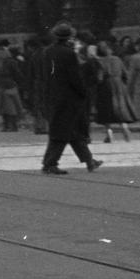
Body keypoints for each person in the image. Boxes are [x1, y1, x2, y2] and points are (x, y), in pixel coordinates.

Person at [39, 23, 103, 175]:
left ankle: (89, 161)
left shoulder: (47, 52)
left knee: (71, 131)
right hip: (69, 98)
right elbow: (75, 77)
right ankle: (50, 163)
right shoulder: (68, 53)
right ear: (69, 38)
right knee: (63, 131)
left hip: (53, 95)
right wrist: (84, 92)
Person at [90, 41, 135, 144]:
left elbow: (99, 77)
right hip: (119, 85)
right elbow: (126, 75)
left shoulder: (99, 61)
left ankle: (109, 134)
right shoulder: (117, 59)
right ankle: (124, 128)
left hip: (106, 86)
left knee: (106, 110)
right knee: (120, 108)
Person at [0, 43, 27, 132]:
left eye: (0, 52)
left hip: (9, 86)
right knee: (3, 107)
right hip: (1, 85)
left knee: (10, 107)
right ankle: (6, 125)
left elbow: (18, 74)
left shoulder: (11, 62)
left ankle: (12, 125)